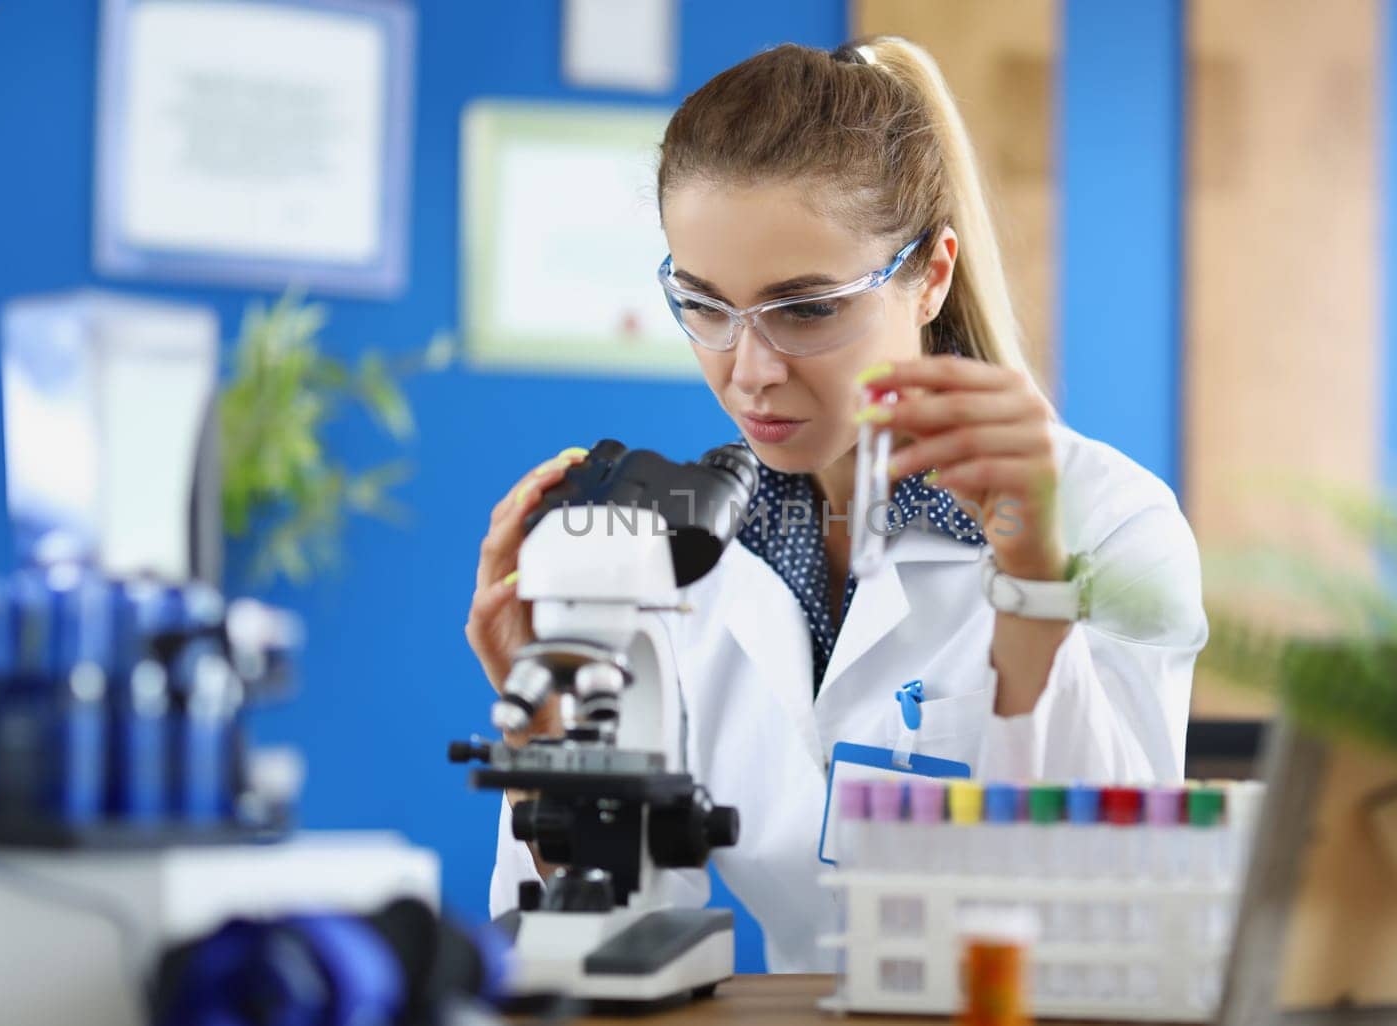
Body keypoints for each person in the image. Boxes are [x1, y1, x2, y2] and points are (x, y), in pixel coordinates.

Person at [465, 37, 1207, 972]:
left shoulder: (1108, 524)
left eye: (806, 309)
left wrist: (1033, 588)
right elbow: (616, 940)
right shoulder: (680, 543)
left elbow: (1122, 908)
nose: (750, 372)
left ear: (929, 275)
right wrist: (552, 747)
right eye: (703, 305)